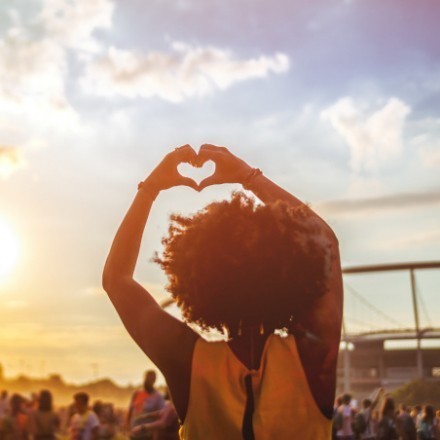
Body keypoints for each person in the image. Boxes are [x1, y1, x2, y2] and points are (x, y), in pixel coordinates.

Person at [103, 144, 343, 439]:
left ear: (198, 284)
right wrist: (247, 175)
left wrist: (150, 188)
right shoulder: (312, 359)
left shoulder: (189, 361)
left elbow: (117, 280)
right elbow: (326, 241)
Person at [127, 371, 165, 440]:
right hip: (134, 433)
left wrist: (155, 434)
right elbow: (130, 410)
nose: (148, 381)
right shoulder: (137, 394)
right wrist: (127, 425)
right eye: (147, 378)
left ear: (154, 381)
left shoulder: (158, 397)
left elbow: (161, 415)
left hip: (147, 435)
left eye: (151, 379)